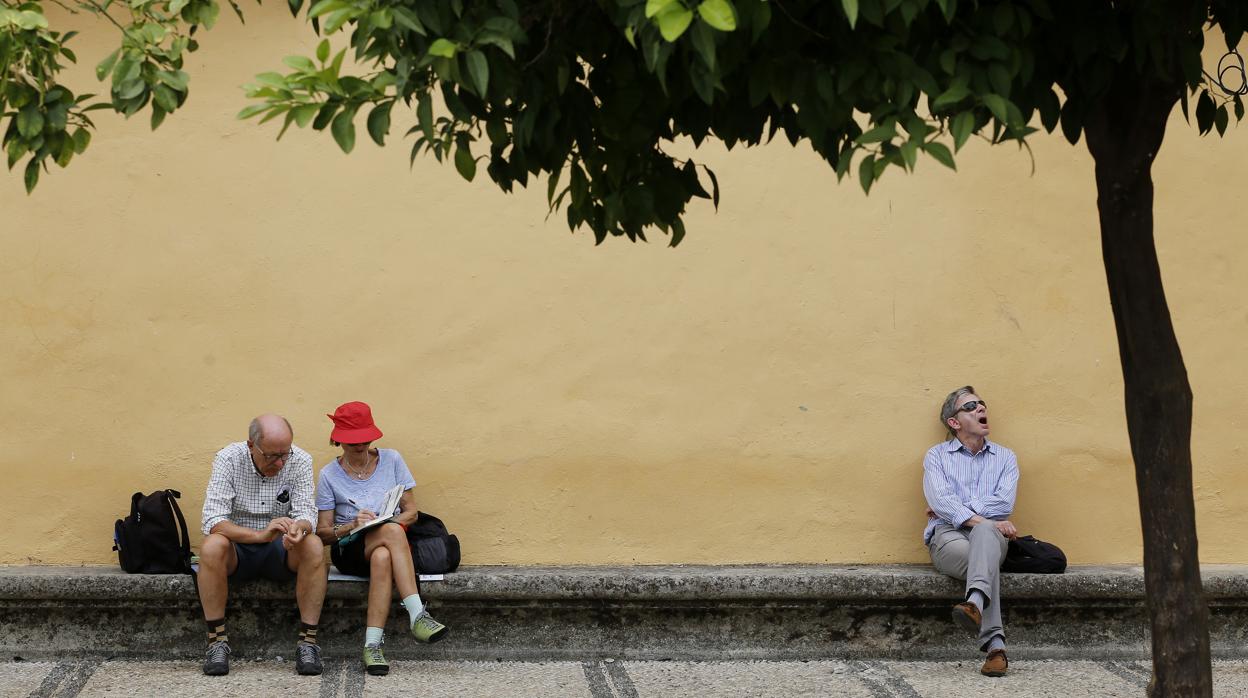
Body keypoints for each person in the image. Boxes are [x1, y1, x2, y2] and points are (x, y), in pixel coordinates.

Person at [315, 401, 449, 676]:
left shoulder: (393, 460)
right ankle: (417, 614)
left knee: (383, 555)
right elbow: (323, 533)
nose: (360, 444)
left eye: (365, 438)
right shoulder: (329, 475)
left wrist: (384, 523)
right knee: (389, 535)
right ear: (338, 438)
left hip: (389, 543)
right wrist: (353, 523)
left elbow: (411, 512)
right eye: (353, 440)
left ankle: (372, 645)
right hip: (350, 549)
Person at [198, 413, 327, 676]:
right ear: (251, 445)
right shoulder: (229, 458)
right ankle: (217, 642)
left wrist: (298, 530)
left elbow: (307, 513)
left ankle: (308, 643)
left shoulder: (300, 459)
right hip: (238, 549)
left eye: (284, 454)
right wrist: (258, 535)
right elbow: (213, 519)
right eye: (271, 456)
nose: (280, 463)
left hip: (283, 549)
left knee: (313, 545)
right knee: (211, 546)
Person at [922, 386, 1019, 677]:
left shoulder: (1005, 457)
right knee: (986, 546)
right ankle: (995, 646)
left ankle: (974, 603)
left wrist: (960, 511)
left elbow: (1005, 501)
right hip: (947, 540)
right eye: (971, 406)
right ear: (954, 422)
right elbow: (940, 501)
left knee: (986, 537)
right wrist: (984, 519)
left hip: (988, 538)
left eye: (982, 404)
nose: (981, 408)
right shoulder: (936, 456)